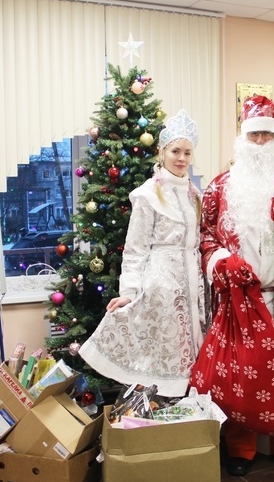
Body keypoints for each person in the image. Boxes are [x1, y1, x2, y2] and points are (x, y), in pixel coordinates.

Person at [196, 95, 274, 477]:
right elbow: (205, 237)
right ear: (242, 138)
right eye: (254, 135)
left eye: (268, 135)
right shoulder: (221, 186)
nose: (261, 143)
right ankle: (242, 448)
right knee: (242, 371)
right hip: (238, 298)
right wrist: (223, 261)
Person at [80, 109, 206, 397]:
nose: (181, 158)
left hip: (195, 289)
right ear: (162, 152)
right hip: (162, 290)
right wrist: (130, 290)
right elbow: (135, 250)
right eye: (175, 151)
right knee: (166, 358)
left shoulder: (195, 195)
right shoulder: (148, 194)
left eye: (187, 152)